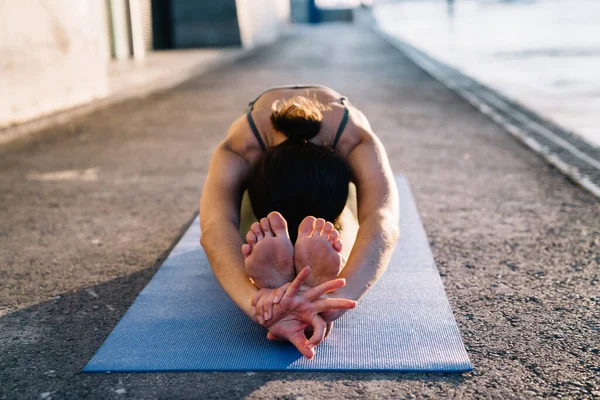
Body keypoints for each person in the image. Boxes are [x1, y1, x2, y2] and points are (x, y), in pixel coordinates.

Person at [199, 85, 399, 359]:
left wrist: (262, 304)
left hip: (277, 220)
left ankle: (286, 270)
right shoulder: (241, 150)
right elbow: (215, 228)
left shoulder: (354, 141)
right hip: (290, 218)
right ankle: (317, 265)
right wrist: (326, 303)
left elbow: (382, 222)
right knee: (342, 230)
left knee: (260, 233)